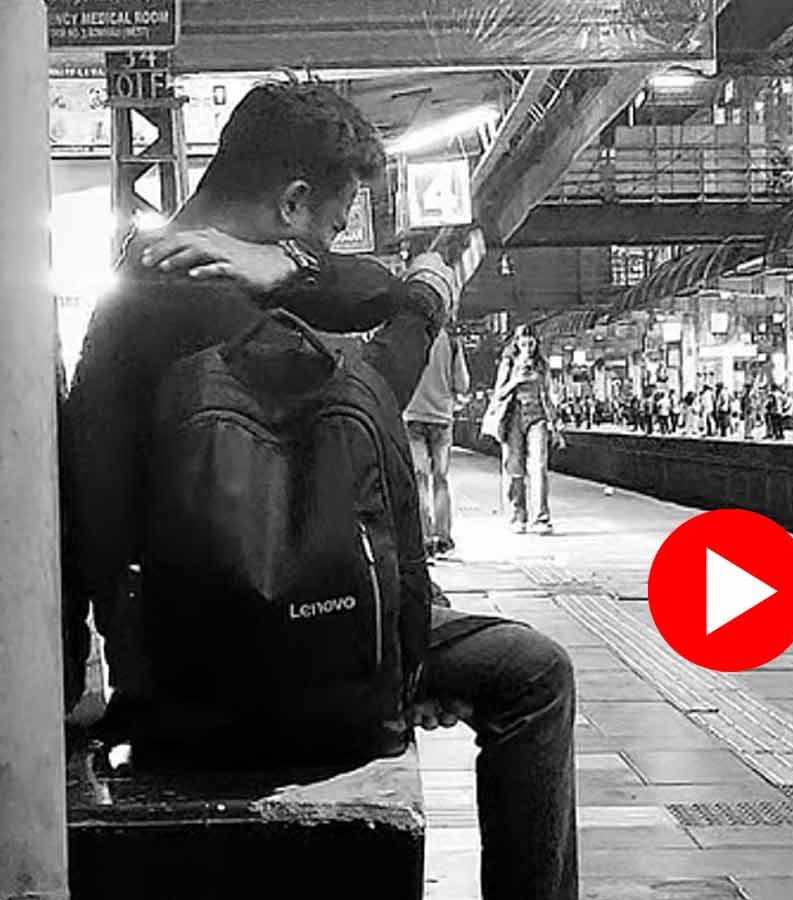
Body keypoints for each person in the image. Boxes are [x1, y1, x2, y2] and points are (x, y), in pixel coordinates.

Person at [62, 78, 577, 900]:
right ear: (294, 201)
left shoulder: (132, 289)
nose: (332, 243)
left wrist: (294, 266)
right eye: (330, 224)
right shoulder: (216, 311)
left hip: (165, 654)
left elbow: (92, 523)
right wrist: (409, 296)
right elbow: (368, 392)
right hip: (267, 659)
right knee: (534, 674)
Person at [404, 323, 470, 557]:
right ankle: (443, 539)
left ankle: (423, 540)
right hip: (442, 418)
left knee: (419, 480)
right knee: (440, 480)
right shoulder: (451, 341)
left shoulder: (406, 335)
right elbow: (462, 384)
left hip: (411, 415)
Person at [486, 324, 556, 535]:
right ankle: (517, 515)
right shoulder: (508, 363)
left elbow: (548, 394)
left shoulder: (542, 365)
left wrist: (554, 422)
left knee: (539, 466)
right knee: (514, 467)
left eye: (531, 343)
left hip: (538, 417)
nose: (527, 347)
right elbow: (498, 394)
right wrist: (516, 379)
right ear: (516, 344)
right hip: (514, 415)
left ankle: (541, 518)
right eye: (523, 343)